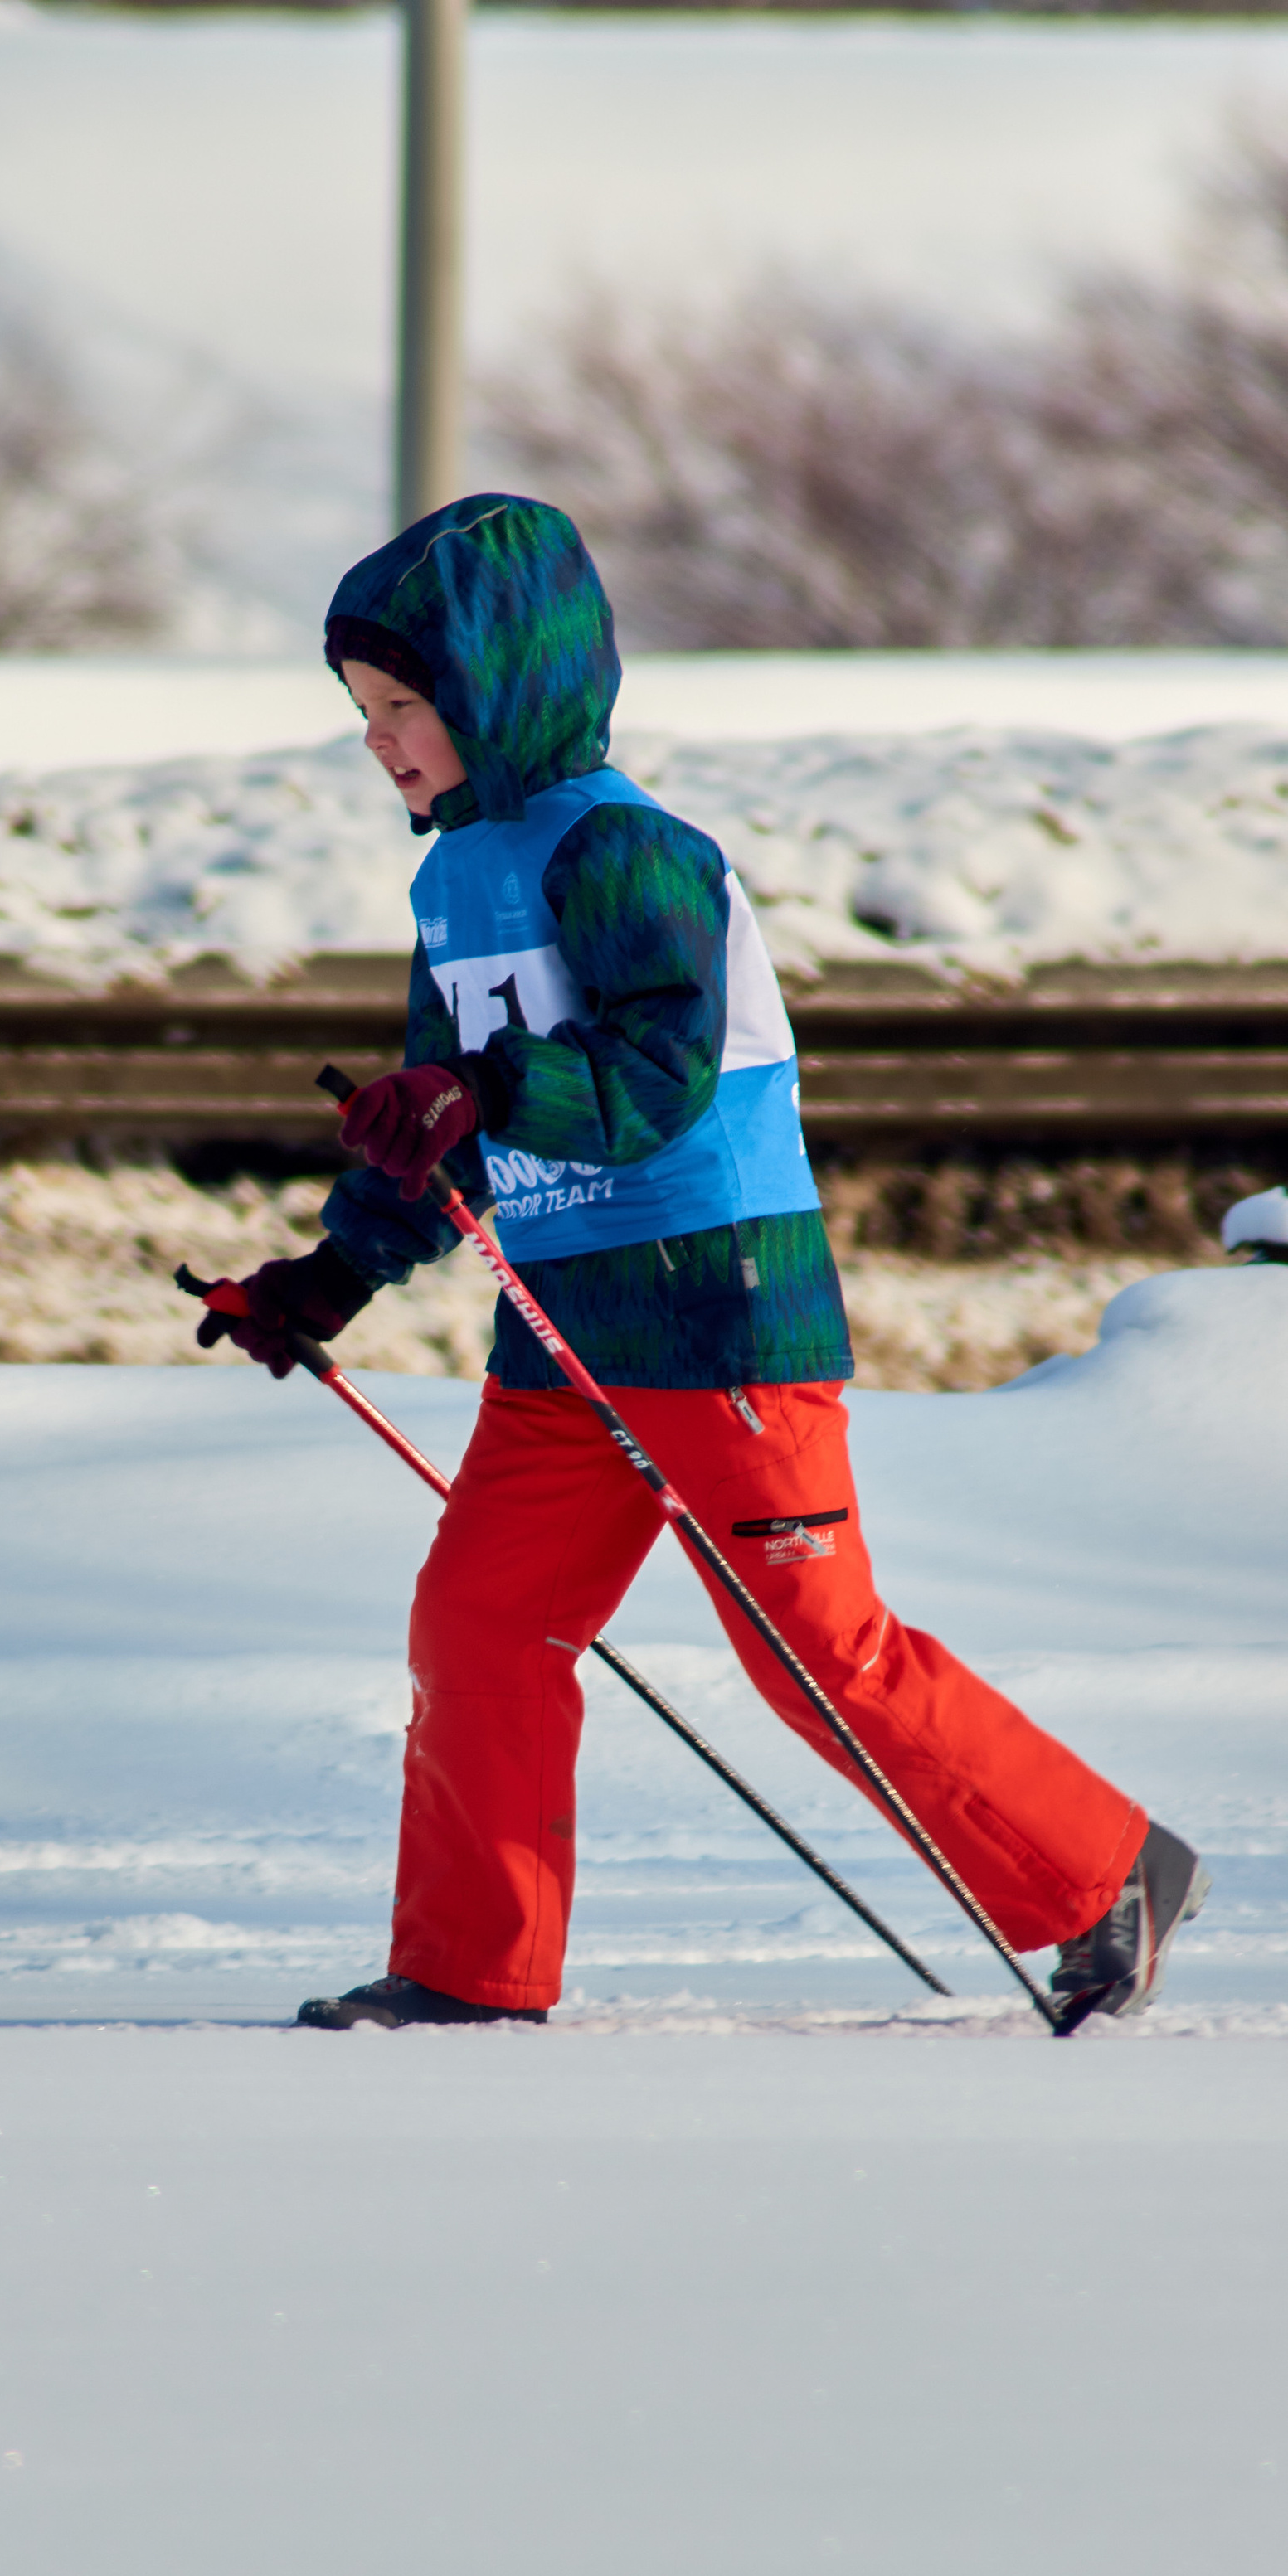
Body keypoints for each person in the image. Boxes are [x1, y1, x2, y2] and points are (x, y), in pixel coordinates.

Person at [194, 493, 1208, 2032]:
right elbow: (435, 1131)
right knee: (479, 1625)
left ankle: (1105, 1873)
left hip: (718, 1306)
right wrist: (330, 1275)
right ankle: (469, 1971)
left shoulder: (629, 852)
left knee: (814, 1654)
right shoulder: (453, 881)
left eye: (406, 706)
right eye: (364, 714)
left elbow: (651, 1079)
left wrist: (482, 1089)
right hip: (562, 1331)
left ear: (503, 689)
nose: (383, 741)